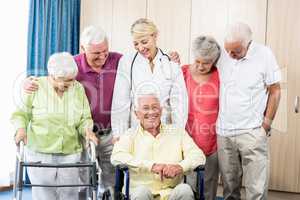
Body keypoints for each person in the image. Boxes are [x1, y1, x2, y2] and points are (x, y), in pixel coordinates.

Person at [23, 25, 181, 196]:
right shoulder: (72, 65)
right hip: (81, 134)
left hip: (110, 134)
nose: (102, 56)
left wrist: (168, 58)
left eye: (105, 51)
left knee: (111, 180)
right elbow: (51, 78)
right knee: (81, 181)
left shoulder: (119, 61)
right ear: (83, 49)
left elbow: (145, 60)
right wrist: (28, 82)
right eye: (96, 53)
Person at [11, 52, 99, 200]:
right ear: (51, 75)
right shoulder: (35, 86)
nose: (67, 84)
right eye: (62, 80)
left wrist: (87, 131)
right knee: (44, 195)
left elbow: (84, 118)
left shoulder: (77, 88)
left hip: (71, 152)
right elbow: (21, 114)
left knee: (70, 194)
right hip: (41, 152)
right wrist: (21, 129)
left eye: (71, 80)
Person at [216, 22, 281, 200]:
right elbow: (201, 64)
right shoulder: (222, 53)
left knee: (256, 190)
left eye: (236, 51)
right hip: (224, 133)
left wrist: (266, 126)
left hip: (252, 132)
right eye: (228, 50)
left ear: (248, 44)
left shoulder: (264, 54)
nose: (230, 55)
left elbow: (275, 90)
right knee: (229, 189)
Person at [111, 91, 206, 200]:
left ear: (161, 111)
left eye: (155, 107)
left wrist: (180, 167)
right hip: (141, 193)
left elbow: (199, 156)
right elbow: (116, 156)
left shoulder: (178, 132)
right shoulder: (130, 135)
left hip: (171, 192)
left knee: (185, 190)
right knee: (141, 192)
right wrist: (151, 166)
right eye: (146, 108)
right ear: (136, 114)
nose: (151, 112)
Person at [111, 18, 188, 141]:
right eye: (136, 44)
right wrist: (119, 134)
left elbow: (179, 103)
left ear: (155, 36)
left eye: (144, 42)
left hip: (165, 131)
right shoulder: (127, 62)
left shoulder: (170, 63)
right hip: (137, 131)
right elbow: (120, 101)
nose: (140, 48)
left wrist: (179, 134)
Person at [182, 36, 220, 200]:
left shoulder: (220, 76)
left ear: (214, 61)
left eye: (206, 62)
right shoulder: (182, 72)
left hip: (212, 139)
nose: (200, 66)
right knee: (188, 185)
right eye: (197, 61)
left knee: (209, 184)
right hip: (187, 138)